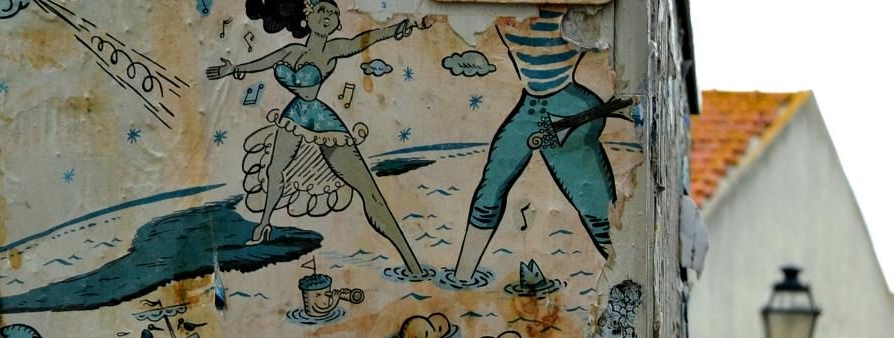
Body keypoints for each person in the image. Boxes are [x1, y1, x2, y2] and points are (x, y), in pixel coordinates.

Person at [206, 0, 428, 277]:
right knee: (274, 171)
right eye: (322, 10)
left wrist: (397, 28)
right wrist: (233, 68)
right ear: (307, 18)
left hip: (323, 122)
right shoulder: (291, 51)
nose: (329, 17)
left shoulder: (335, 49)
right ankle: (264, 223)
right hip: (294, 117)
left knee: (368, 189)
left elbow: (362, 41)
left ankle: (411, 260)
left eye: (334, 14)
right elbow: (262, 63)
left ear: (337, 23)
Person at [451, 6, 620, 283]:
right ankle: (461, 277)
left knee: (591, 202)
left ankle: (620, 274)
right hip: (533, 108)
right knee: (490, 189)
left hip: (565, 108)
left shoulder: (557, 11)